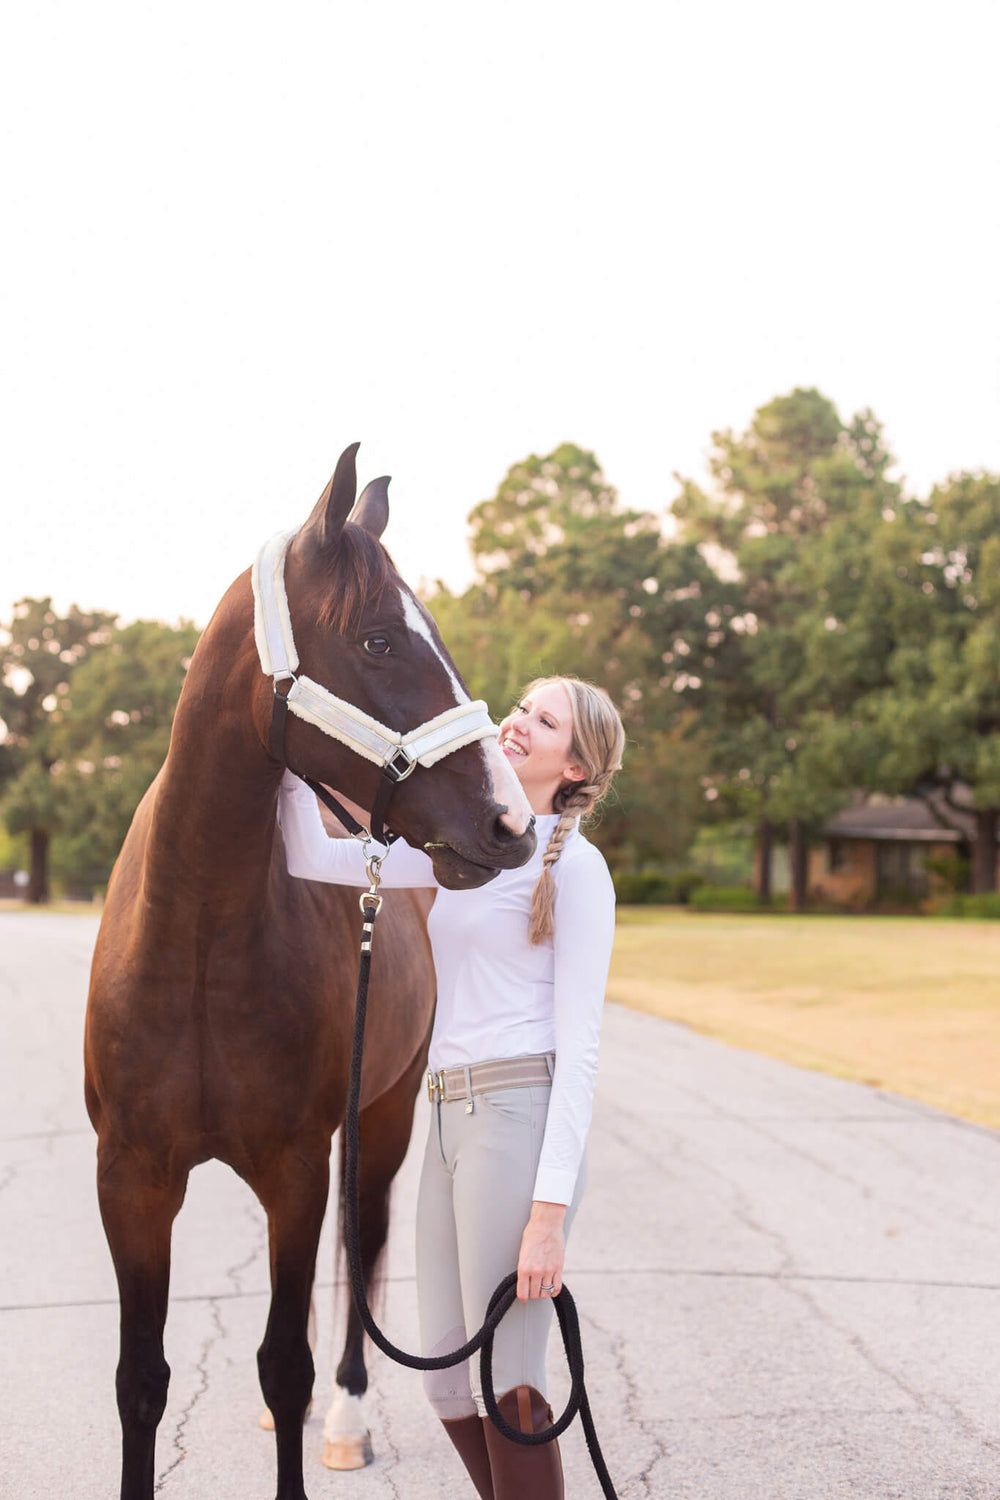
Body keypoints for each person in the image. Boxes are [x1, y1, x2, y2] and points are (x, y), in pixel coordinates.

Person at [278, 676, 625, 1500]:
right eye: (522, 707)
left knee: (512, 1381)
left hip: (517, 1113)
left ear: (573, 768)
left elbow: (579, 1051)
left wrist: (548, 1219)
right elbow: (310, 855)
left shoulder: (578, 869)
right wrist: (291, 751)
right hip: (445, 1115)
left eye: (545, 722)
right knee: (442, 1381)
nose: (518, 723)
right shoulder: (462, 849)